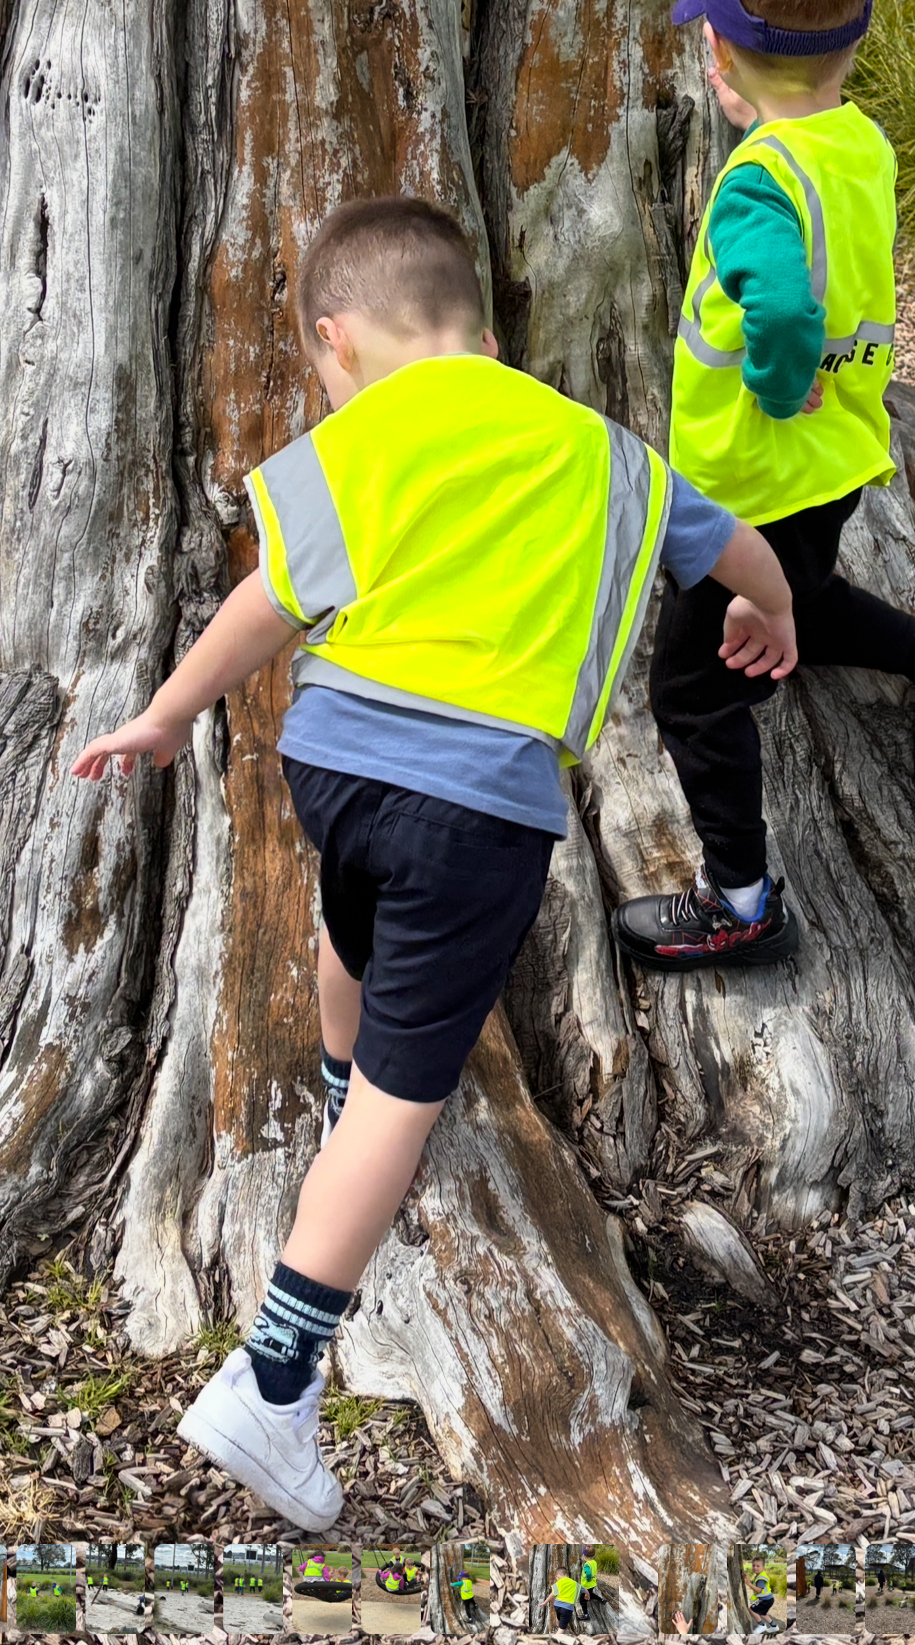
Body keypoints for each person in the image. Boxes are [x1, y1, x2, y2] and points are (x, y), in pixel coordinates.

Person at [73, 194, 795, 1532]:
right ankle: (275, 1380)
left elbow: (270, 600)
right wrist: (773, 603)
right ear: (483, 332)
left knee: (352, 924)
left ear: (336, 339)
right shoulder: (602, 448)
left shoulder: (358, 438)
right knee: (406, 1102)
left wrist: (167, 715)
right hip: (478, 802)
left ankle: (340, 1091)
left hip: (331, 762)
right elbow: (730, 547)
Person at [612, 0, 915, 971]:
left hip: (749, 488)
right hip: (836, 460)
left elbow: (781, 308)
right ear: (851, 47)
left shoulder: (757, 182)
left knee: (689, 692)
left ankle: (742, 903)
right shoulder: (863, 144)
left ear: (718, 56)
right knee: (807, 598)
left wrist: (776, 382)